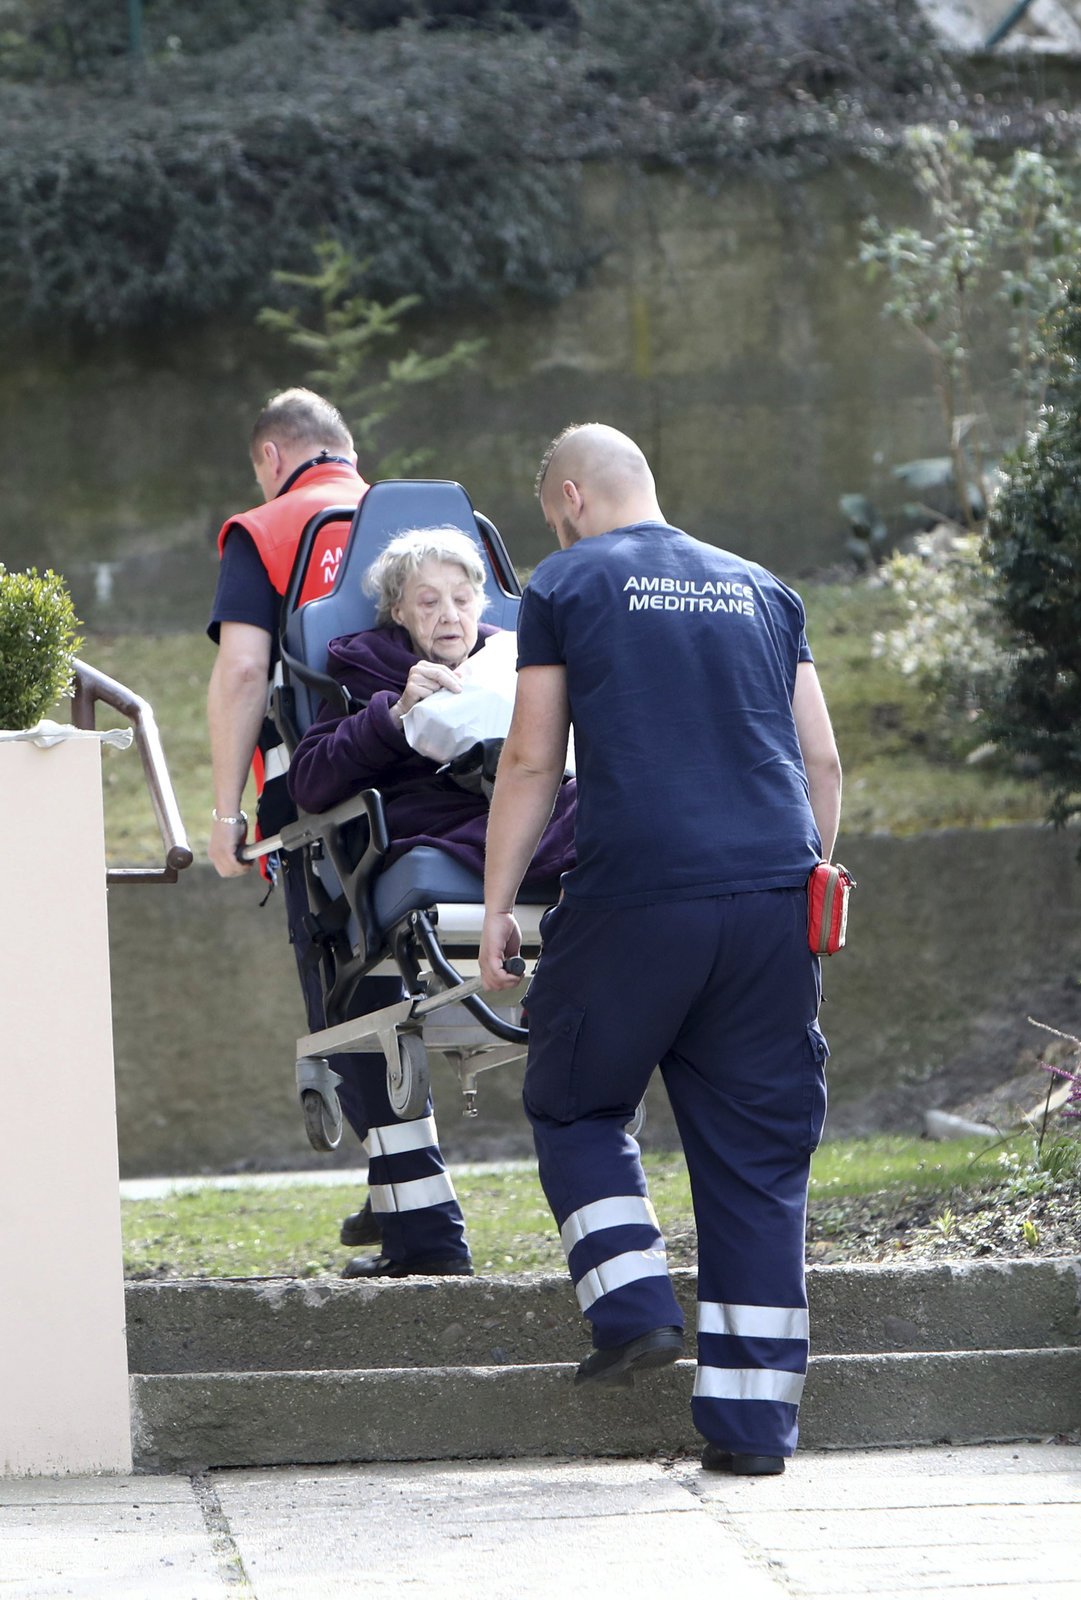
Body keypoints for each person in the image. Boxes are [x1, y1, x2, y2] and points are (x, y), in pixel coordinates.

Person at [480, 423, 842, 1476]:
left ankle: (631, 1299)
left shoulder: (568, 580)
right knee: (757, 1162)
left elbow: (531, 754)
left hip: (636, 897)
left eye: (553, 509)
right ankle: (752, 1429)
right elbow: (819, 757)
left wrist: (502, 899)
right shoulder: (763, 588)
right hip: (774, 902)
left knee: (575, 1098)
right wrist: (806, 874)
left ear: (571, 494)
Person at [207, 388, 470, 1278]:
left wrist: (224, 815)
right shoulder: (430, 531)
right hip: (472, 809)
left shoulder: (266, 526)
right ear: (347, 453)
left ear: (273, 456)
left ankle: (421, 1226)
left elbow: (246, 669)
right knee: (384, 992)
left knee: (351, 995)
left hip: (330, 804)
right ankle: (398, 1201)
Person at [288, 525, 576, 883]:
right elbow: (308, 782)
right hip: (440, 819)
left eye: (462, 599)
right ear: (398, 612)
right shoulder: (368, 668)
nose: (450, 616)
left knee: (608, 797)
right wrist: (394, 717)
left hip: (525, 800)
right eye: (429, 602)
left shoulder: (510, 659)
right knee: (590, 817)